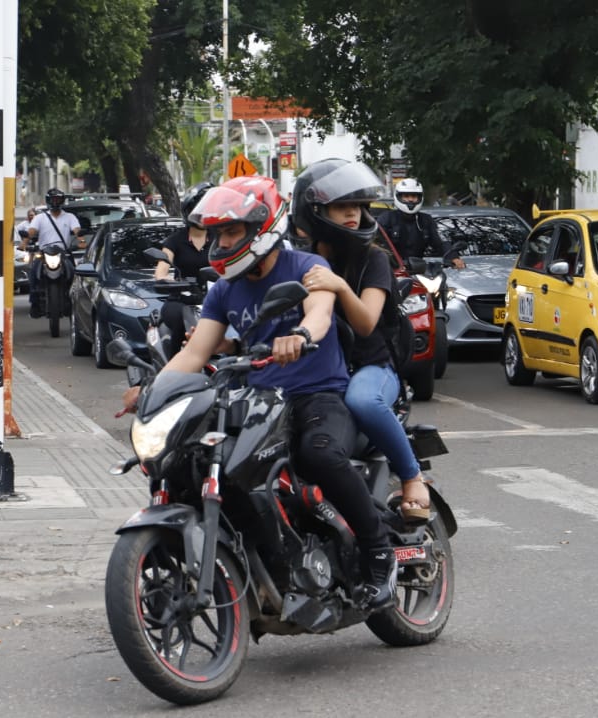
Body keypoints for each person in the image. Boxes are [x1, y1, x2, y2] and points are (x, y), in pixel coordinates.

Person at [123, 178, 398, 610]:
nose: (222, 242)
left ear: (262, 229)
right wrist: (150, 391)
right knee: (208, 459)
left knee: (320, 454)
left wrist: (302, 335)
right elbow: (195, 353)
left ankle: (379, 551)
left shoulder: (307, 268)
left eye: (232, 232)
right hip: (258, 400)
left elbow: (321, 313)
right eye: (218, 234)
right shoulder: (224, 290)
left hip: (317, 395)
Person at [294, 159, 432, 523]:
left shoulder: (374, 260)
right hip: (317, 373)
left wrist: (338, 286)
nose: (353, 214)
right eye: (342, 206)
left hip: (370, 367)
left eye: (357, 206)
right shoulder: (296, 262)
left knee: (364, 401)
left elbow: (367, 323)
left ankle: (412, 477)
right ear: (316, 212)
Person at [153, 182, 212, 351]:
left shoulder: (220, 239)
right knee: (179, 318)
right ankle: (173, 369)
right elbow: (161, 270)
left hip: (212, 298)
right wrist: (166, 280)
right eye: (198, 212)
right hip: (181, 299)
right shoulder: (175, 241)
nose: (202, 217)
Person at [377, 177, 465, 269]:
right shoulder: (386, 218)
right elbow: (377, 245)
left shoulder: (425, 220)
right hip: (390, 270)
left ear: (419, 198)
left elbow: (439, 242)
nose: (410, 200)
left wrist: (453, 257)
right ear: (399, 197)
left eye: (414, 196)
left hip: (418, 270)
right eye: (406, 196)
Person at [27, 188, 83, 317]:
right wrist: (25, 242)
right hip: (43, 253)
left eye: (58, 199)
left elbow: (77, 230)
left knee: (74, 276)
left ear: (62, 201)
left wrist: (81, 240)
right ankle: (34, 304)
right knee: (33, 275)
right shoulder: (40, 217)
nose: (55, 201)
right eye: (53, 199)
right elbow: (32, 231)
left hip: (63, 253)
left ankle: (72, 303)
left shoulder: (70, 217)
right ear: (48, 201)